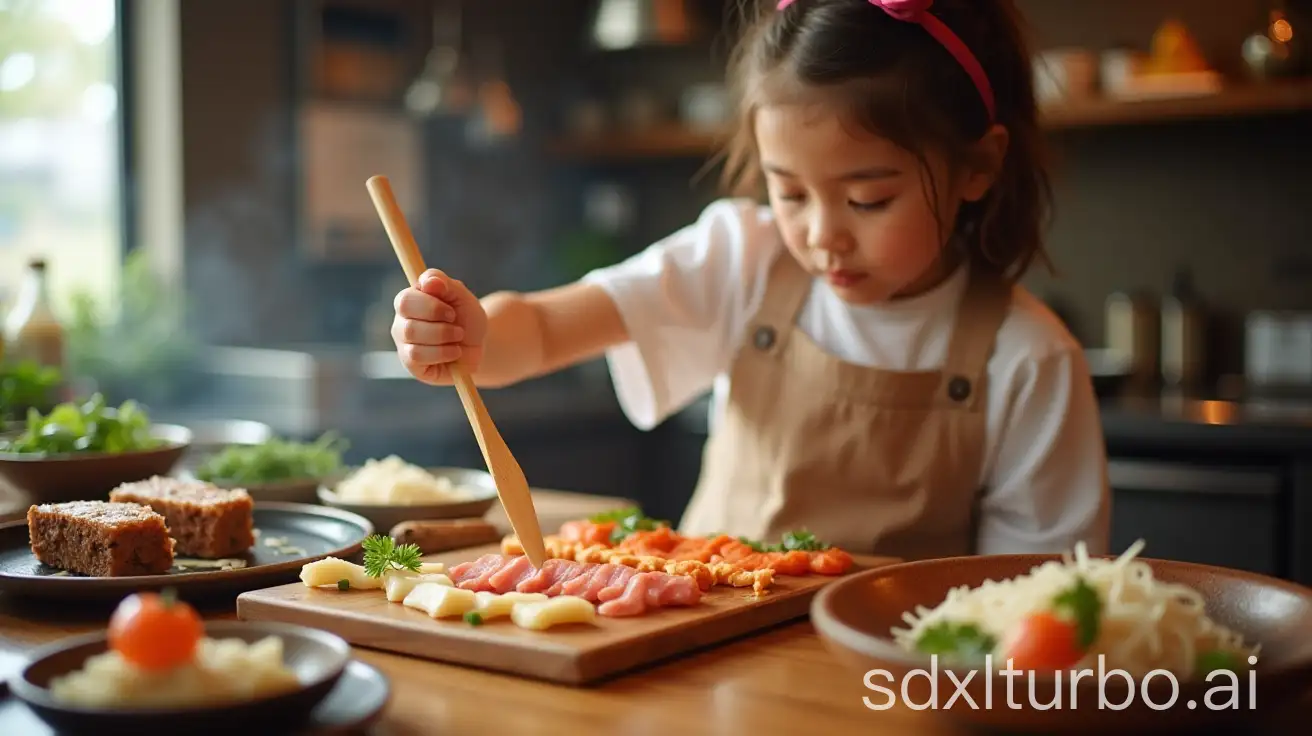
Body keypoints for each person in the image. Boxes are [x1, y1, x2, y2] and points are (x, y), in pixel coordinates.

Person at [391, 0, 1111, 559]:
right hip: (704, 662)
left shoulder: (1029, 357)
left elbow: (1032, 599)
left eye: (867, 199)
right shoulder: (743, 258)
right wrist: (473, 332)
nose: (822, 234)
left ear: (978, 167)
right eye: (789, 193)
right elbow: (547, 329)